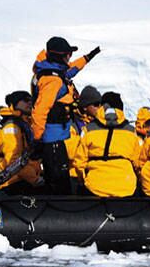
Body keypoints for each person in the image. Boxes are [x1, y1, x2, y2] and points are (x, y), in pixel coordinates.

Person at [30, 36, 100, 194]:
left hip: (59, 136)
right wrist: (38, 139)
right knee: (58, 182)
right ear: (59, 56)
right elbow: (40, 111)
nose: (70, 57)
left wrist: (88, 57)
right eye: (68, 54)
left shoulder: (54, 72)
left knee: (60, 177)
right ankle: (56, 206)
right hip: (53, 139)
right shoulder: (52, 81)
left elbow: (72, 69)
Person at [73, 92, 142, 197]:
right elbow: (138, 163)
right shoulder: (131, 131)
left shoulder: (88, 129)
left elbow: (79, 163)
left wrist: (83, 180)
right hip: (126, 187)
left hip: (94, 187)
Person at [0, 91, 41, 193]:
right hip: (14, 182)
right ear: (14, 103)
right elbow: (12, 160)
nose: (29, 103)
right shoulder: (12, 128)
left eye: (31, 100)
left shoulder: (26, 125)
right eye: (25, 100)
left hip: (26, 180)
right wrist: (35, 179)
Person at [66, 85, 102, 178]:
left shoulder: (100, 123)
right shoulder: (73, 124)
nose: (99, 107)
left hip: (95, 173)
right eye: (96, 104)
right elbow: (70, 152)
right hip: (76, 175)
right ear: (85, 107)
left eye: (100, 104)